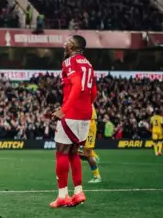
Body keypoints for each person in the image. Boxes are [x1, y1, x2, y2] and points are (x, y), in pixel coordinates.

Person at [50, 35, 97, 208]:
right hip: (85, 114)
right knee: (73, 152)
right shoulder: (89, 64)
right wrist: (85, 108)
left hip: (71, 113)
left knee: (61, 152)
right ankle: (78, 192)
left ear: (72, 46)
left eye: (66, 43)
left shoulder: (70, 62)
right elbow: (94, 92)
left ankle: (62, 195)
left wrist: (64, 110)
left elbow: (76, 85)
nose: (64, 46)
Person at [79, 104, 101, 183]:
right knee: (74, 149)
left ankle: (97, 176)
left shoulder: (84, 96)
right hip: (83, 124)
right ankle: (94, 156)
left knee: (87, 154)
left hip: (88, 124)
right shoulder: (85, 96)